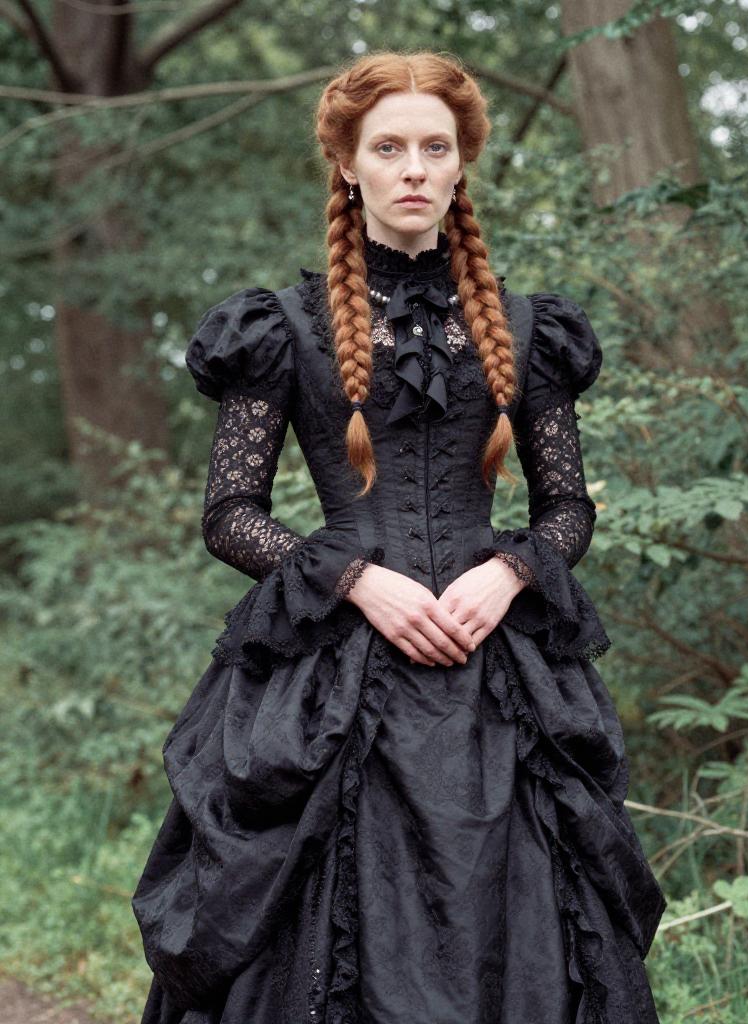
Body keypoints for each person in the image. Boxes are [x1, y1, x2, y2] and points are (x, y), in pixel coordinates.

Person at [132, 50, 666, 1024]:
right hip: (336, 673)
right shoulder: (282, 326)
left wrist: (509, 571)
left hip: (494, 669)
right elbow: (229, 513)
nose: (413, 167)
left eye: (435, 146)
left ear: (462, 164)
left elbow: (568, 509)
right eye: (389, 147)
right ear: (347, 164)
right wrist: (354, 582)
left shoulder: (527, 327)